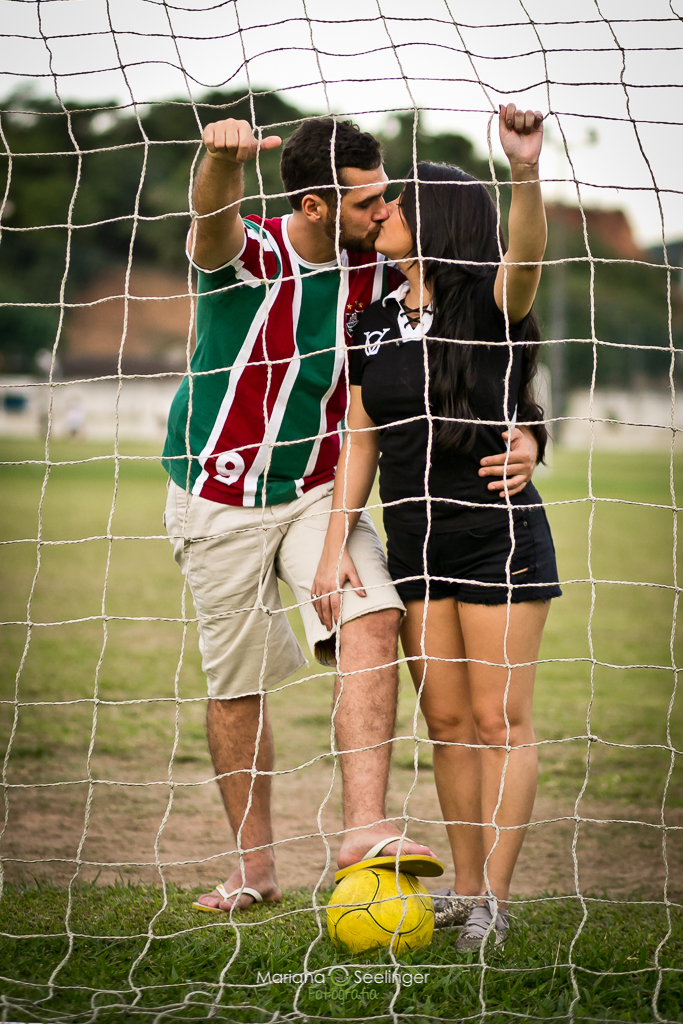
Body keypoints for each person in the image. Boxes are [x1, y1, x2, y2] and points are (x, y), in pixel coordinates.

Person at [162, 114, 540, 914]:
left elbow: (473, 343)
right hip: (216, 494)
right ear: (312, 206)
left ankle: (364, 827)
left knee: (370, 612)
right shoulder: (254, 252)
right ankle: (252, 867)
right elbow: (208, 225)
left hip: (319, 493)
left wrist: (530, 430)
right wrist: (219, 162)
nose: (384, 210)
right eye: (368, 200)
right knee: (237, 684)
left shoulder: (379, 272)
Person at [311, 103, 561, 951]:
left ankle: (492, 899)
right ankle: (461, 890)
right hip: (413, 542)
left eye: (395, 203)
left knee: (499, 722)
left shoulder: (492, 304)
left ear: (439, 219)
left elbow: (524, 254)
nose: (379, 213)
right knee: (447, 725)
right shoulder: (369, 322)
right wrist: (332, 545)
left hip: (497, 534)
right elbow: (359, 440)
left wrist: (523, 170)